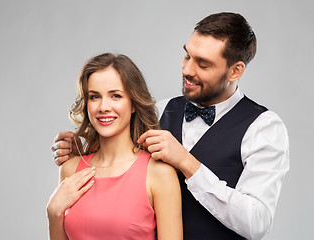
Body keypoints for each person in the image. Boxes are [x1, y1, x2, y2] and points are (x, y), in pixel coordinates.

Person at [51, 12, 289, 240]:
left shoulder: (263, 127)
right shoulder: (160, 111)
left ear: (235, 71)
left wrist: (187, 163)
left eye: (203, 64)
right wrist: (80, 154)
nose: (187, 70)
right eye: (187, 56)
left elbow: (257, 223)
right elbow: (118, 155)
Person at [46, 53, 182, 240]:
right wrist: (53, 214)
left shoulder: (159, 173)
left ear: (133, 104)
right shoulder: (70, 169)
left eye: (115, 96)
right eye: (94, 97)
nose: (103, 107)